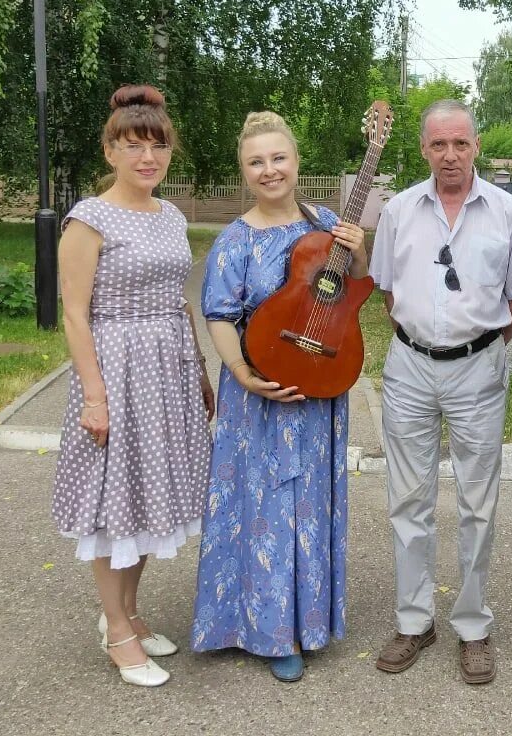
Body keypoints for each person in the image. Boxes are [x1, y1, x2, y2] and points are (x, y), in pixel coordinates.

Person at [190, 111, 366, 683]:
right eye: (256, 161)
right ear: (244, 171)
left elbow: (352, 287)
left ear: (296, 163)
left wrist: (359, 251)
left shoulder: (328, 221)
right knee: (263, 510)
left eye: (279, 158)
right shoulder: (235, 240)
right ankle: (267, 632)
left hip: (316, 389)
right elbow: (218, 314)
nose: (270, 170)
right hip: (260, 391)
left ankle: (307, 622)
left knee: (308, 505)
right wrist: (240, 371)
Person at [369, 99, 512, 684]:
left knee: (477, 505)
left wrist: (480, 347)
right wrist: (425, 340)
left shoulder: (509, 213)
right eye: (438, 145)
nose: (449, 155)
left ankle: (472, 626)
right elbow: (386, 292)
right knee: (408, 500)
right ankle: (414, 621)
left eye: (460, 144)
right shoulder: (396, 211)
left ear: (476, 146)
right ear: (423, 149)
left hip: (478, 369)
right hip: (410, 367)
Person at [51, 84, 215, 688]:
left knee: (150, 493)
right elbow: (75, 314)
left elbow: (178, 300)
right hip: (116, 367)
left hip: (167, 367)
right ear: (111, 149)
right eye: (134, 144)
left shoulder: (171, 215)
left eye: (158, 145)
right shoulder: (88, 219)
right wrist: (95, 395)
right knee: (111, 499)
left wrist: (198, 368)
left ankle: (131, 613)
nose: (148, 157)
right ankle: (116, 628)